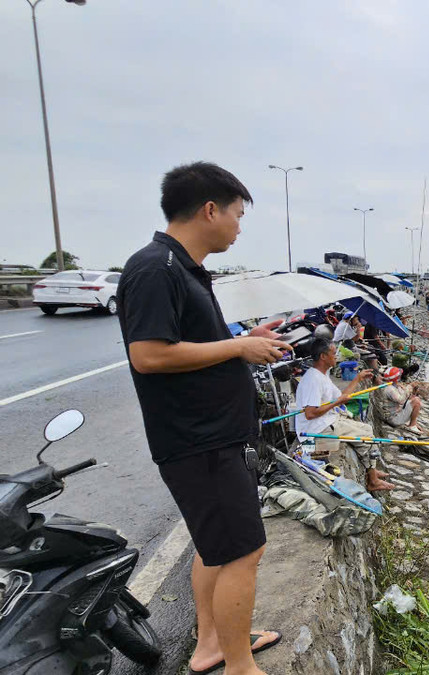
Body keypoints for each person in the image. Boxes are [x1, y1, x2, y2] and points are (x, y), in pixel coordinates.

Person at [117, 161, 285, 675]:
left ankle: (212, 642)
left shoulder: (182, 269)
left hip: (211, 438)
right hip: (200, 442)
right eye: (237, 214)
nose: (239, 225)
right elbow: (148, 354)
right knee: (243, 552)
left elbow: (188, 346)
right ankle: (239, 666)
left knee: (215, 549)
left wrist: (243, 345)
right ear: (209, 209)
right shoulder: (155, 269)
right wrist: (238, 345)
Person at [295, 337, 395, 491]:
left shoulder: (323, 375)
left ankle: (372, 470)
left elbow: (342, 398)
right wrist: (335, 403)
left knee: (367, 429)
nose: (336, 357)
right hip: (316, 431)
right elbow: (310, 413)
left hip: (327, 421)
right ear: (323, 356)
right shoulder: (313, 379)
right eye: (333, 354)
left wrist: (357, 378)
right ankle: (372, 480)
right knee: (367, 434)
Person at [369, 365, 426, 435]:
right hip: (393, 419)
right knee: (417, 401)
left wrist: (412, 390)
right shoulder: (389, 389)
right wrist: (409, 386)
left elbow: (406, 397)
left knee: (414, 398)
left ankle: (413, 422)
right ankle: (412, 425)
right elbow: (401, 400)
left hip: (395, 414)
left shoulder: (393, 386)